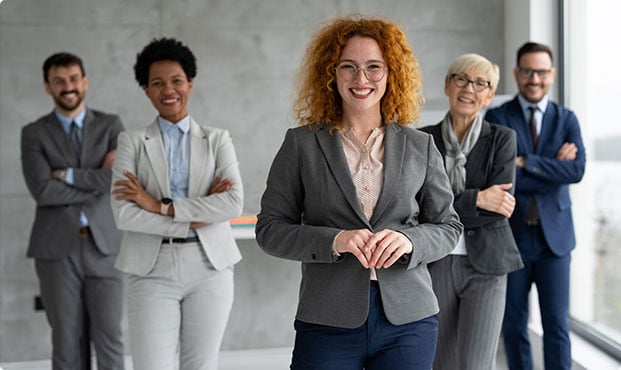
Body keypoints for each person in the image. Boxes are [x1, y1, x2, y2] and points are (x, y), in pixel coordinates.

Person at [255, 15, 463, 370]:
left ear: (391, 73)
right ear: (331, 74)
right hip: (327, 320)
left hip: (409, 320)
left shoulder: (421, 145)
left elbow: (448, 226)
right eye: (348, 67)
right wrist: (335, 240)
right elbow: (270, 229)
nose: (361, 78)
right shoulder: (302, 144)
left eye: (373, 67)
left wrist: (409, 242)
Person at [109, 38, 243, 370]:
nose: (168, 89)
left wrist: (160, 206)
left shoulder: (217, 140)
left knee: (201, 366)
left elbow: (232, 204)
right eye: (157, 83)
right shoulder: (131, 142)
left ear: (190, 84)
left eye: (176, 80)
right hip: (151, 267)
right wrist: (197, 213)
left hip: (210, 266)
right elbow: (124, 214)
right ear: (146, 90)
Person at [485, 42, 586, 370]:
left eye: (541, 72)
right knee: (513, 325)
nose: (534, 78)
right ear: (516, 73)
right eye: (527, 71)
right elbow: (502, 176)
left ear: (552, 75)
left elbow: (577, 170)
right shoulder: (498, 116)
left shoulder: (566, 119)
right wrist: (551, 168)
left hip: (554, 241)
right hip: (511, 237)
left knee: (557, 326)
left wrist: (525, 161)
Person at [21, 52, 125, 370]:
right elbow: (42, 190)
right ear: (47, 86)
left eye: (73, 78)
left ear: (84, 81)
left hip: (104, 246)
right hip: (55, 250)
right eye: (59, 81)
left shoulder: (110, 125)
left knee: (110, 338)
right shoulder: (34, 133)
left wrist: (65, 174)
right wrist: (96, 181)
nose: (68, 87)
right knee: (67, 341)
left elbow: (118, 179)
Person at [420, 53, 523, 370]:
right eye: (461, 79)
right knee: (441, 362)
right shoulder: (423, 139)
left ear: (490, 95)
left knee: (476, 364)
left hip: (487, 264)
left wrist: (448, 202)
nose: (469, 89)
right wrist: (477, 198)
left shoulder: (502, 139)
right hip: (435, 263)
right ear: (448, 86)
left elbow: (499, 207)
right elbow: (419, 206)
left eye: (481, 83)